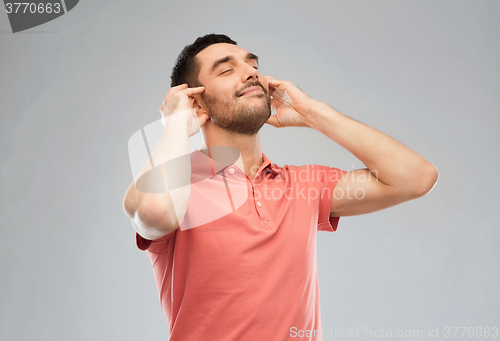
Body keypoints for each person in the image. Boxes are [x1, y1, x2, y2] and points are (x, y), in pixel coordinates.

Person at [123, 34, 438, 341]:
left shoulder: (303, 185)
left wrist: (313, 114)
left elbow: (416, 178)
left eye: (252, 65)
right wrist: (177, 121)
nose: (251, 73)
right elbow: (154, 213)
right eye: (226, 69)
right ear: (196, 99)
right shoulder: (174, 187)